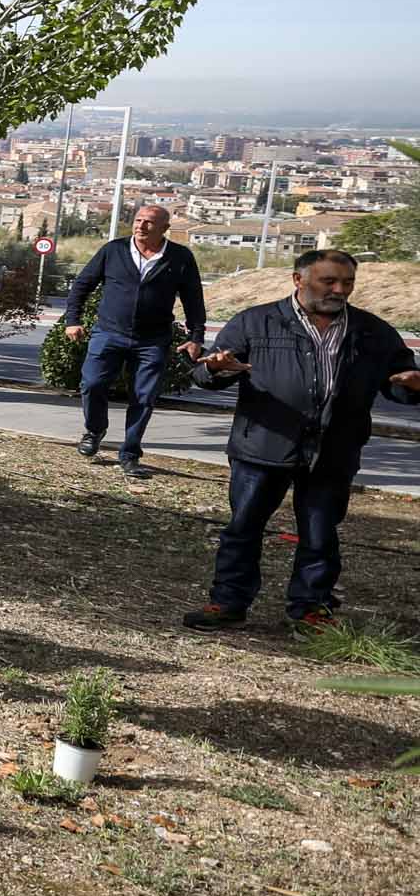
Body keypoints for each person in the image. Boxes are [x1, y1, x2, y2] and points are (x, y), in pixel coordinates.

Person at [185, 250, 420, 631]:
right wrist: (215, 368)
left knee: (320, 533)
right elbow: (205, 373)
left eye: (347, 283)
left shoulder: (373, 331)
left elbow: (401, 381)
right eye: (329, 282)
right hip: (263, 445)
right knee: (243, 527)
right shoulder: (256, 321)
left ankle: (311, 608)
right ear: (299, 280)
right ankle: (227, 602)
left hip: (333, 450)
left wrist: (413, 386)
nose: (339, 290)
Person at [58, 201, 206, 482]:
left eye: (149, 222)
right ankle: (94, 429)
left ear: (164, 228)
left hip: (152, 340)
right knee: (92, 384)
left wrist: (195, 337)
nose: (141, 226)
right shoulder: (113, 250)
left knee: (144, 397)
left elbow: (193, 300)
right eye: (138, 220)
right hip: (108, 333)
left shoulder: (180, 257)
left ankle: (129, 454)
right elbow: (82, 285)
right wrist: (72, 320)